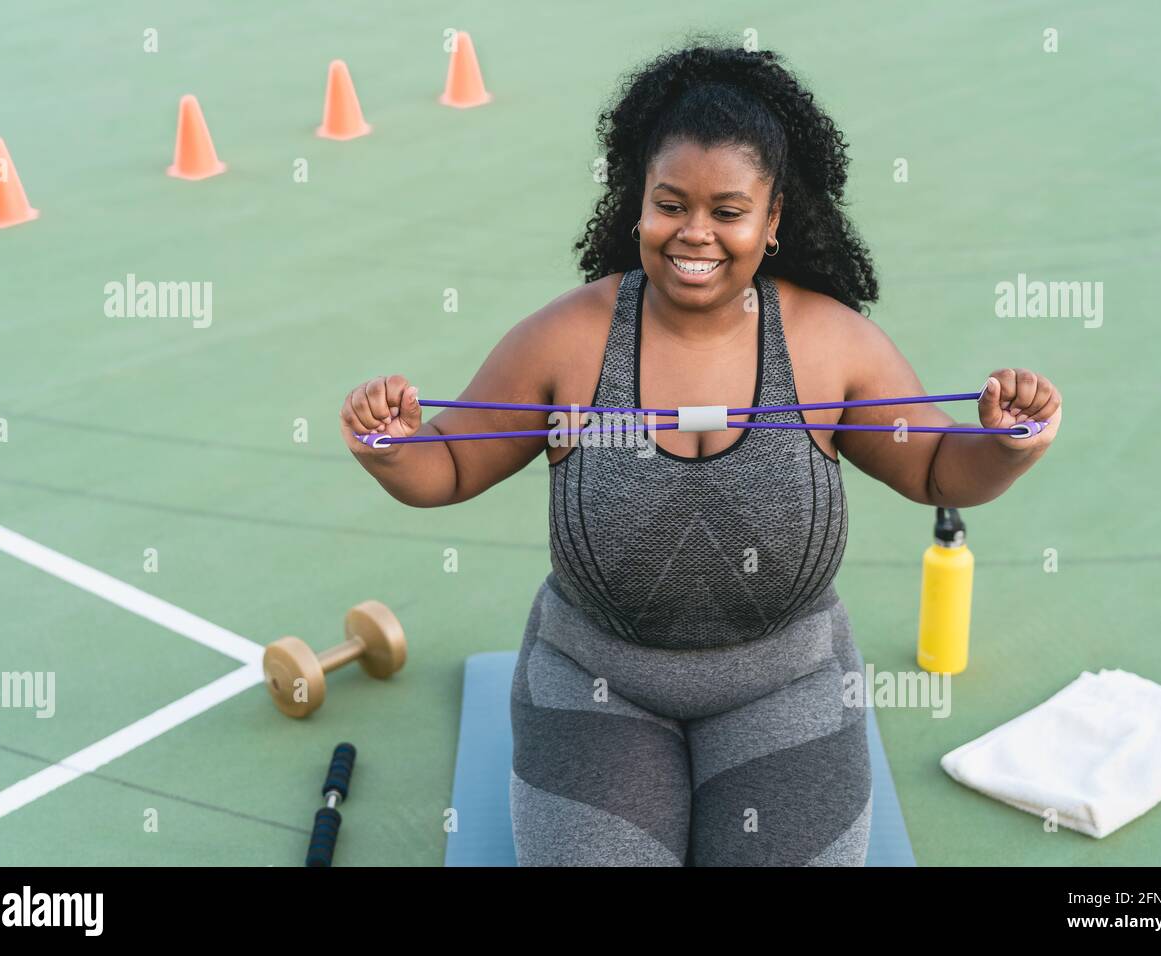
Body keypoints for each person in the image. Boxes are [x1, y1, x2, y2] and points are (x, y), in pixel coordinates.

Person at [339, 43, 1062, 865]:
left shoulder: (828, 343)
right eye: (670, 203)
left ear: (773, 219)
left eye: (728, 211)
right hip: (595, 676)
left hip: (785, 679)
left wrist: (1007, 444)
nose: (695, 233)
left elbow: (935, 466)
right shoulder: (568, 339)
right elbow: (453, 464)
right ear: (636, 204)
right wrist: (391, 448)